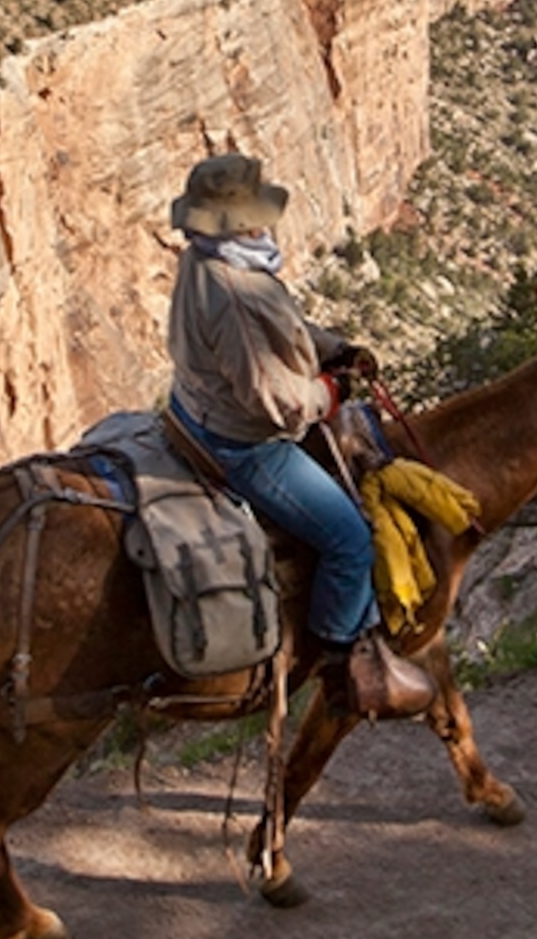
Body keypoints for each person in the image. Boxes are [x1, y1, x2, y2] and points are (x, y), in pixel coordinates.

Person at [162, 153, 435, 719]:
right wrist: (328, 395)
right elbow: (278, 403)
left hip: (191, 411)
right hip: (242, 444)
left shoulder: (208, 260)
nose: (265, 224)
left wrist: (334, 348)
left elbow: (280, 323)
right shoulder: (235, 290)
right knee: (350, 538)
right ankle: (340, 662)